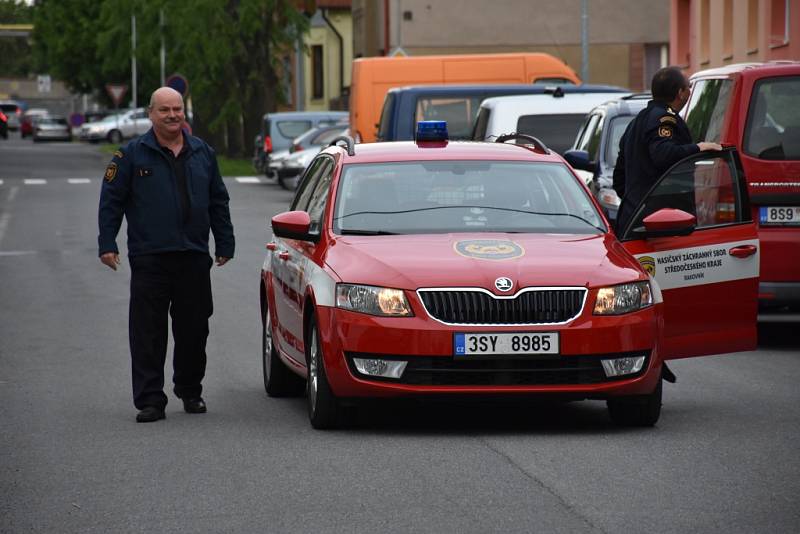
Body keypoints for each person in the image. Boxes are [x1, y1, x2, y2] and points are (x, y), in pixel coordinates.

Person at [98, 87, 235, 423]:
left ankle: (190, 390)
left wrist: (225, 242)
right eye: (165, 110)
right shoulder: (131, 155)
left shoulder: (202, 152)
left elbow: (218, 200)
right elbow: (111, 201)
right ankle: (150, 400)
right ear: (151, 114)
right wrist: (107, 243)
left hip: (193, 256)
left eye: (177, 109)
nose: (173, 115)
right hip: (150, 257)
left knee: (194, 329)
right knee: (148, 331)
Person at [613, 66, 722, 233]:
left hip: (633, 219)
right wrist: (698, 148)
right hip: (661, 225)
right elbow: (663, 154)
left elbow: (619, 178)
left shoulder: (638, 121)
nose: (691, 91)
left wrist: (636, 203)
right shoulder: (664, 119)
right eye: (689, 87)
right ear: (680, 93)